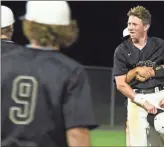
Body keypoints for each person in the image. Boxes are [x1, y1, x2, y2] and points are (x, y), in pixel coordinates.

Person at [1, 1, 98, 147]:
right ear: (67, 28)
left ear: (29, 24)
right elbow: (77, 133)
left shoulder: (4, 62)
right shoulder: (71, 71)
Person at [113, 6, 164, 146]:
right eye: (129, 24)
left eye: (134, 24)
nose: (130, 28)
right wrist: (142, 100)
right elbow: (121, 84)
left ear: (146, 26)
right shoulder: (121, 51)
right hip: (136, 101)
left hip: (160, 97)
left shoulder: (160, 45)